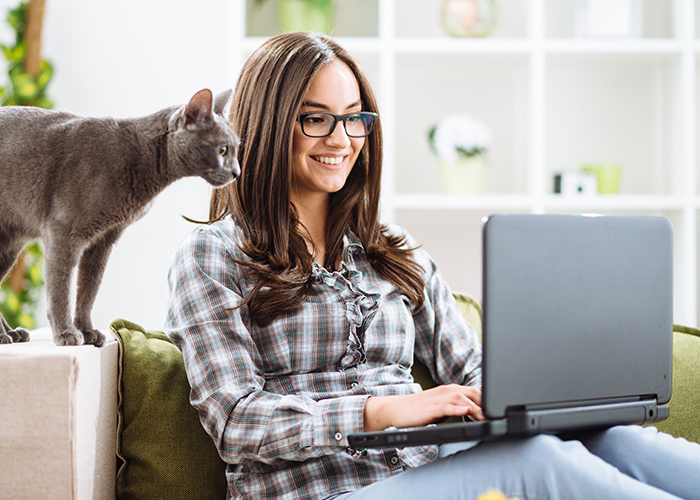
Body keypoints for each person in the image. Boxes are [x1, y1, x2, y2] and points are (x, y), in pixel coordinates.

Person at [165, 32, 700, 500]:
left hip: (428, 476)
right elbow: (235, 420)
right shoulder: (211, 256)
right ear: (268, 123)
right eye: (314, 118)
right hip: (322, 491)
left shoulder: (393, 250)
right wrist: (381, 410)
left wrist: (520, 398)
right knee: (535, 465)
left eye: (355, 119)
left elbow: (472, 366)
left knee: (607, 438)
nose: (341, 138)